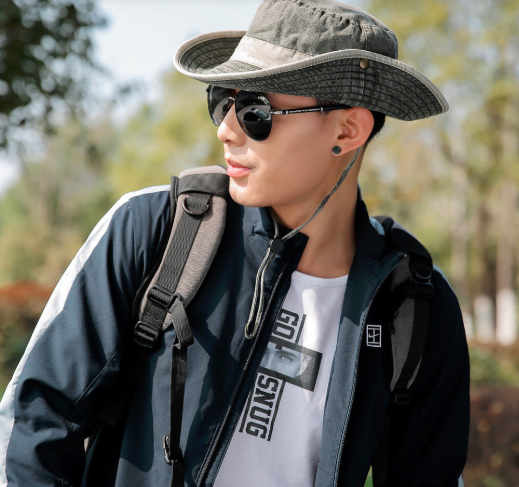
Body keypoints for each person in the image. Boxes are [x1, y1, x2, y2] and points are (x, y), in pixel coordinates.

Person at [0, 1, 470, 486]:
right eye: (223, 101)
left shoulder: (414, 303)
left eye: (255, 111)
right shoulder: (157, 230)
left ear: (347, 130)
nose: (226, 130)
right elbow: (35, 421)